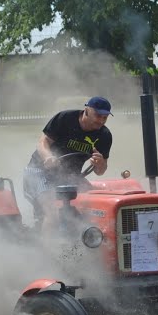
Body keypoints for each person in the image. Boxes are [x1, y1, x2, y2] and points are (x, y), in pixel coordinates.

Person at [23, 96, 114, 229]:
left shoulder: (104, 135)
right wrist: (48, 157)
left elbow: (100, 171)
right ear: (87, 110)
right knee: (52, 212)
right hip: (39, 171)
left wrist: (100, 163)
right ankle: (47, 249)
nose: (101, 120)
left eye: (104, 117)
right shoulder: (65, 118)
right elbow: (43, 142)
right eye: (98, 115)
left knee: (98, 204)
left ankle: (89, 240)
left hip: (71, 177)